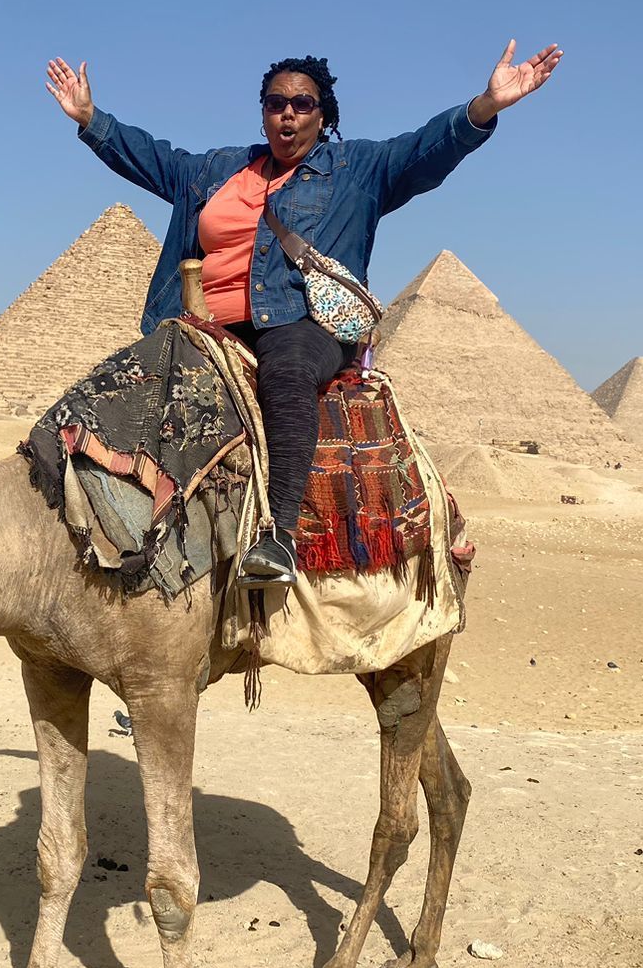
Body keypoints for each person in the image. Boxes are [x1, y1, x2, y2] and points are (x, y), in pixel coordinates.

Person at [46, 41, 561, 586]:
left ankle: (279, 537)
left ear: (323, 114)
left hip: (300, 323)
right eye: (275, 103)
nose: (287, 113)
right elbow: (153, 158)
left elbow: (425, 150)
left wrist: (485, 105)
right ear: (263, 111)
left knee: (288, 371)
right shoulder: (217, 169)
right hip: (201, 322)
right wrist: (90, 118)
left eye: (302, 103)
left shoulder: (356, 170)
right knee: (120, 382)